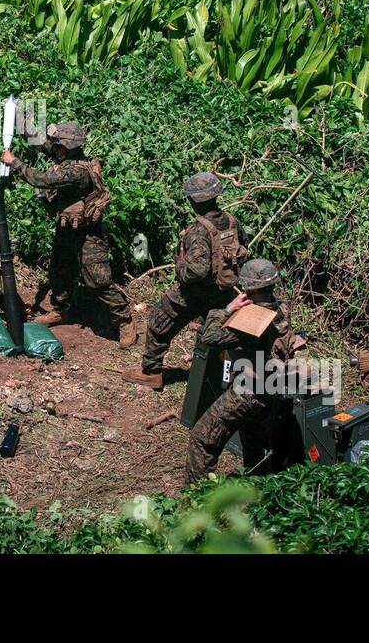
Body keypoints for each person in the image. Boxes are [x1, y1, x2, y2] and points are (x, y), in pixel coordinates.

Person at [0, 121, 134, 346]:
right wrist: (18, 119)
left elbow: (41, 179)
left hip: (89, 234)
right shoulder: (65, 155)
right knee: (59, 271)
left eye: (57, 144)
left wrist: (15, 163)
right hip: (67, 228)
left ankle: (124, 320)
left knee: (97, 279)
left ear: (67, 147)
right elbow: (38, 140)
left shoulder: (76, 171)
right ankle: (61, 310)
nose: (53, 147)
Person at [122, 171, 247, 389]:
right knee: (219, 330)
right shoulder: (232, 222)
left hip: (195, 292)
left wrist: (180, 264)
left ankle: (151, 371)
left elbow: (195, 272)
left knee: (158, 322)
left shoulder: (198, 230)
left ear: (193, 201)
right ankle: (222, 373)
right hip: (223, 290)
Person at [184, 259, 305, 484]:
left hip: (247, 391)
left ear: (248, 288)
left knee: (202, 439)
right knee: (257, 447)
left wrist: (228, 309)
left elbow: (209, 337)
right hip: (269, 389)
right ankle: (260, 493)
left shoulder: (253, 322)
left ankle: (197, 497)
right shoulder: (281, 309)